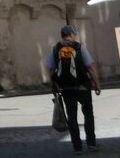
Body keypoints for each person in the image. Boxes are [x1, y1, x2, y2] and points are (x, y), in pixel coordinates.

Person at [46, 25, 101, 153]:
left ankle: (77, 147)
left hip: (66, 88)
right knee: (88, 114)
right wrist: (97, 84)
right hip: (82, 87)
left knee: (72, 117)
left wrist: (53, 84)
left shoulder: (56, 49)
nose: (75, 36)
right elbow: (91, 67)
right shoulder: (79, 47)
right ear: (71, 34)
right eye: (74, 34)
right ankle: (91, 143)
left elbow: (50, 68)